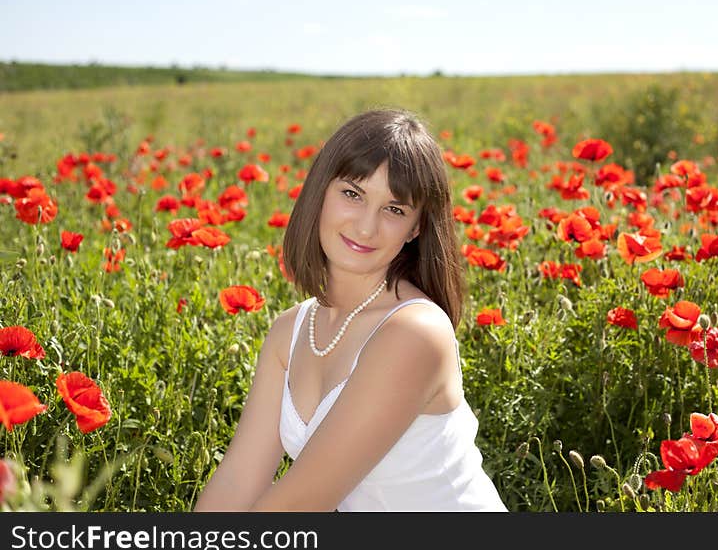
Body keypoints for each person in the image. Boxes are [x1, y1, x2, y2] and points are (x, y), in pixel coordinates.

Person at [195, 108, 508, 511]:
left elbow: (300, 504)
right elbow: (238, 478)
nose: (365, 227)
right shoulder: (290, 331)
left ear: (416, 228)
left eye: (394, 209)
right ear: (321, 190)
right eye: (352, 194)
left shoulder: (414, 332)